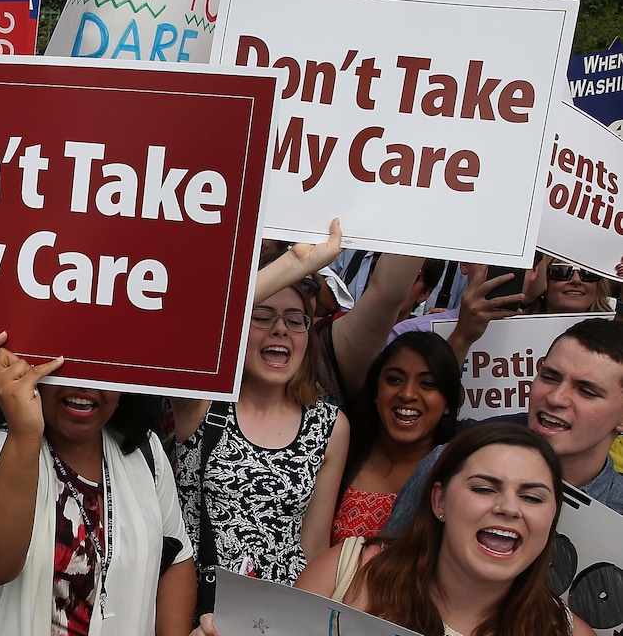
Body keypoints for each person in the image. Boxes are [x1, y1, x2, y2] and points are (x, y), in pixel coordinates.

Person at [194, 424, 591, 636]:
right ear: (439, 502)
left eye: (533, 497)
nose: (508, 508)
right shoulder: (346, 572)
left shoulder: (567, 632)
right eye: (484, 488)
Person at [0, 333, 195, 635]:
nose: (84, 385)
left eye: (102, 366)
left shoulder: (146, 454)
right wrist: (24, 434)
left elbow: (176, 558)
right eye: (65, 364)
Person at [173, 265, 350, 591]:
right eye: (263, 316)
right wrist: (297, 260)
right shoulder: (201, 404)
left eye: (295, 320)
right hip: (190, 608)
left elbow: (313, 548)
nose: (280, 329)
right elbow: (193, 320)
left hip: (275, 616)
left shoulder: (329, 426)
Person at [386, 318, 623, 531]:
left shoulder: (617, 513)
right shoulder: (451, 460)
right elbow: (384, 569)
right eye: (549, 377)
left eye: (586, 391)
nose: (555, 398)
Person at [332, 332, 462, 543]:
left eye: (427, 384)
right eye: (395, 380)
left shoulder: (458, 474)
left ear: (448, 402)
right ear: (376, 391)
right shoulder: (339, 452)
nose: (408, 394)